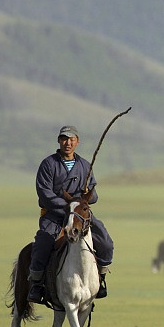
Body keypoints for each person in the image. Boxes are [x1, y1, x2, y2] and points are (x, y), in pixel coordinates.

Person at [28, 125, 114, 304]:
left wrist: (85, 196)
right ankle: (36, 284)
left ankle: (101, 278)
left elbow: (95, 195)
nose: (68, 143)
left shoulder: (84, 166)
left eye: (71, 139)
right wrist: (69, 205)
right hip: (54, 215)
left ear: (77, 142)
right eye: (64, 139)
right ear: (59, 141)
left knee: (105, 240)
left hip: (80, 217)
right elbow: (44, 193)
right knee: (43, 243)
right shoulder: (48, 164)